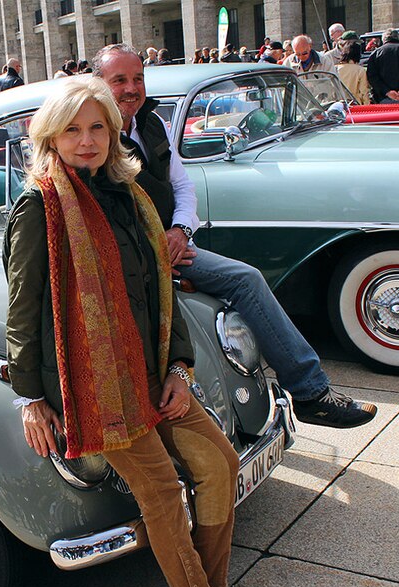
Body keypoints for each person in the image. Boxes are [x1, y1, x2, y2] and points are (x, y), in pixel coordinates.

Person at [4, 74, 281, 587]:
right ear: (51, 135)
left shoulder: (131, 194)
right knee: (159, 491)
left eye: (97, 126)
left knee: (219, 463)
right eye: (73, 129)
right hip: (95, 382)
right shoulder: (40, 206)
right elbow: (22, 310)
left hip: (152, 369)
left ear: (113, 130)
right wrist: (30, 398)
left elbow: (162, 290)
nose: (86, 141)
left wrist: (180, 367)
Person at [92, 43, 377, 429]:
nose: (131, 88)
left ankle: (288, 392)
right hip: (138, 258)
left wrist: (180, 230)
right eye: (119, 80)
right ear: (99, 85)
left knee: (245, 280)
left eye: (137, 78)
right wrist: (158, 247)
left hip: (172, 243)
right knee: (246, 279)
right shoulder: (97, 139)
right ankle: (309, 392)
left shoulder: (150, 122)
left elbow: (183, 186)